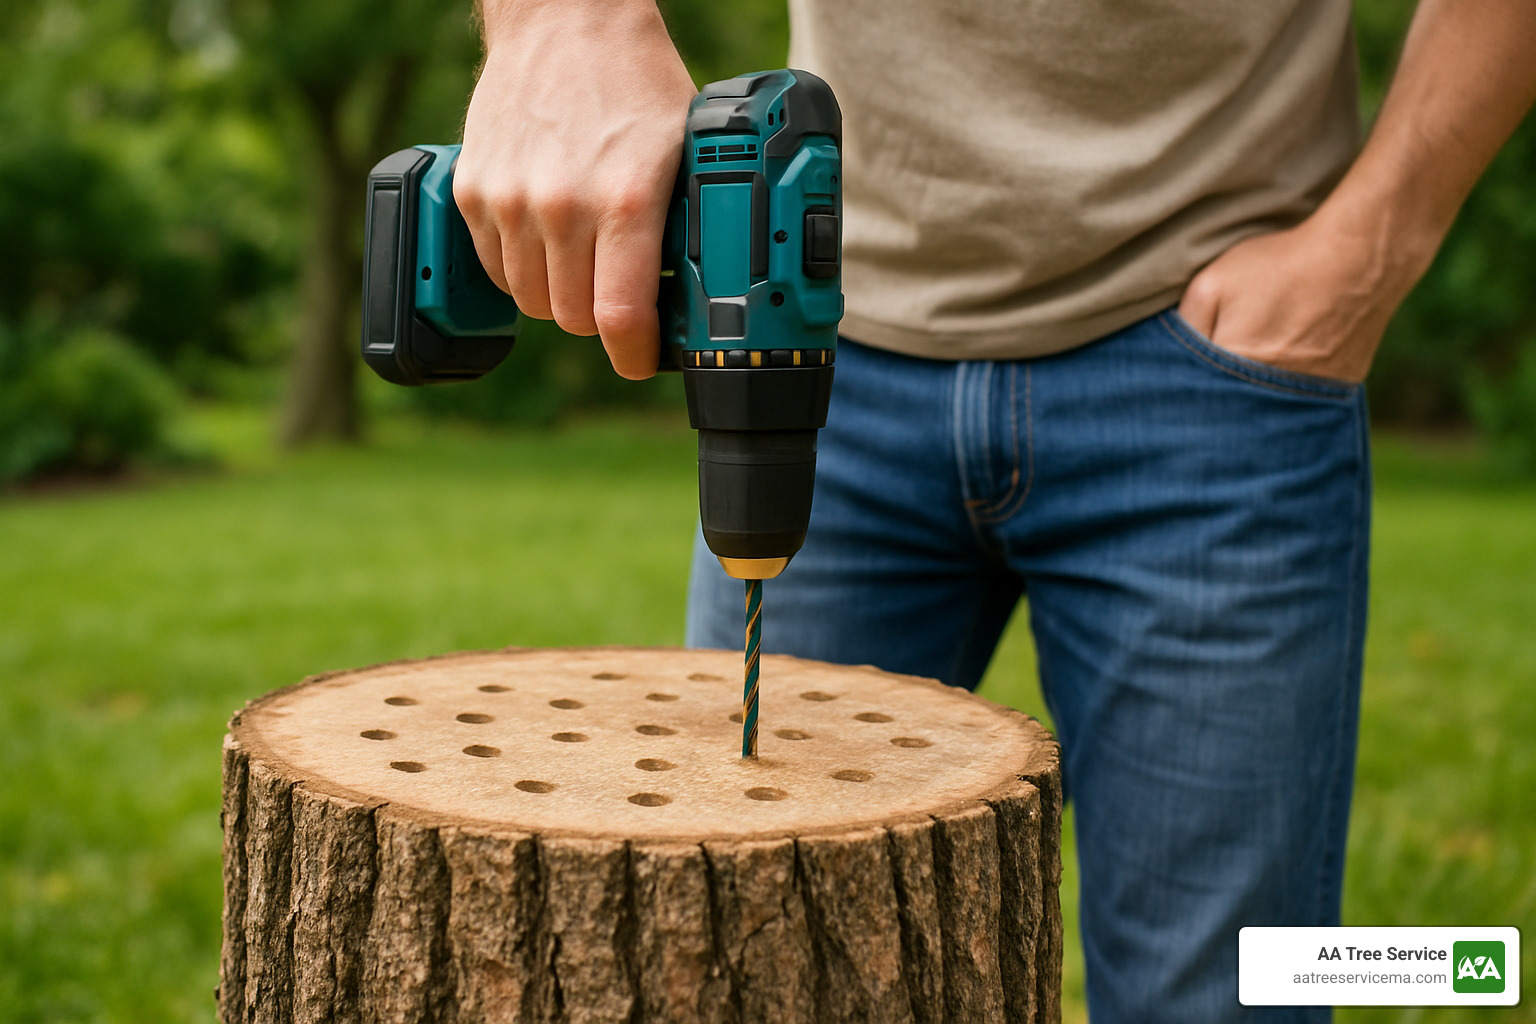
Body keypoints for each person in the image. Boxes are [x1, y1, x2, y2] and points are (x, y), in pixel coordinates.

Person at [453, 1, 1536, 1020]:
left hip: (1216, 369)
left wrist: (1370, 246)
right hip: (829, 360)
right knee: (743, 952)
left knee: (1232, 990)